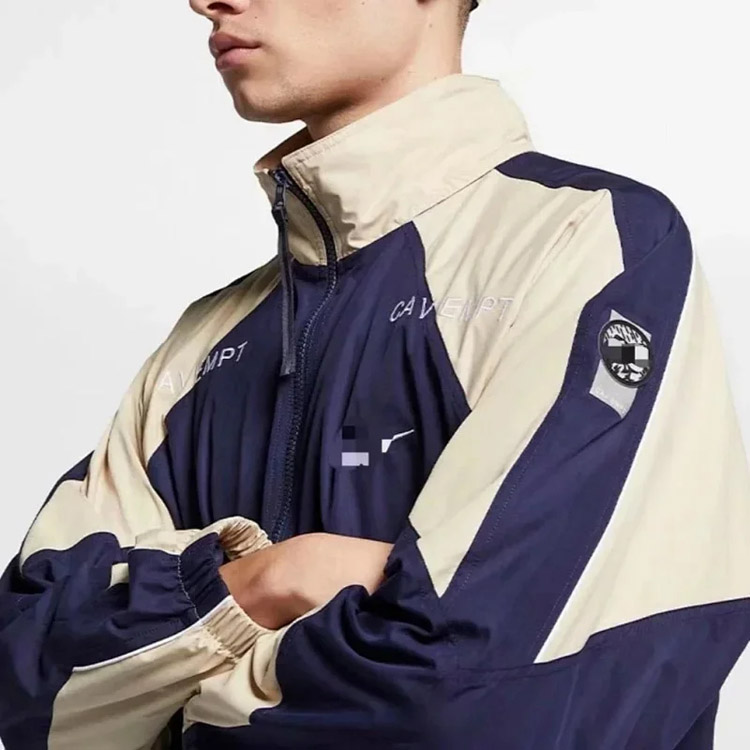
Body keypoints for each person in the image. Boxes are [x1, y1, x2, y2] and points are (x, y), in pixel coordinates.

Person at [1, 0, 749, 747]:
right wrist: (265, 583)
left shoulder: (590, 244)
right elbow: (24, 678)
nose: (205, 1)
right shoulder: (202, 341)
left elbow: (467, 706)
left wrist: (161, 684)